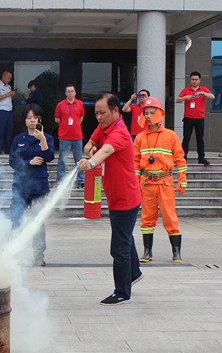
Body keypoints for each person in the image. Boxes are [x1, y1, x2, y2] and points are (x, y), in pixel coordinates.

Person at [77, 93, 143, 305]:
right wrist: (90, 150)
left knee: (119, 247)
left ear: (115, 110)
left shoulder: (120, 132)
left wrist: (91, 162)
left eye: (102, 112)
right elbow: (89, 145)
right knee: (125, 236)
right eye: (96, 113)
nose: (98, 117)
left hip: (126, 198)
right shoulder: (103, 127)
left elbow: (106, 150)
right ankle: (134, 272)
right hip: (114, 195)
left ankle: (122, 292)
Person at [134, 96, 186, 263]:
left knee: (170, 216)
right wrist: (136, 181)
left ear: (159, 113)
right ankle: (147, 252)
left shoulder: (170, 135)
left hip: (165, 182)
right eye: (146, 113)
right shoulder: (140, 138)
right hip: (147, 182)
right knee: (147, 218)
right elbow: (135, 162)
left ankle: (176, 252)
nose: (148, 116)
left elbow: (180, 159)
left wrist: (182, 179)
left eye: (151, 112)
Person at [9, 104, 54, 266]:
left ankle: (38, 256)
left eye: (35, 117)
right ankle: (13, 252)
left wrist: (42, 139)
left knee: (38, 222)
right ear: (25, 120)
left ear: (39, 119)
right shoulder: (18, 140)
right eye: (29, 118)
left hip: (39, 187)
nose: (32, 120)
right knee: (16, 220)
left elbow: (49, 157)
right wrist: (29, 162)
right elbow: (13, 162)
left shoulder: (47, 138)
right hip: (21, 187)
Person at [176, 71, 215, 166]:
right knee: (186, 138)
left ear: (199, 80)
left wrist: (203, 93)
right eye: (192, 79)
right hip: (188, 118)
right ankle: (183, 157)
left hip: (199, 117)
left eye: (196, 79)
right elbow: (177, 100)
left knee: (200, 138)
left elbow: (212, 97)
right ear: (190, 80)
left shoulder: (203, 89)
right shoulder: (186, 90)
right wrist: (186, 97)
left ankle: (201, 158)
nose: (194, 81)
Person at [54, 84, 85, 187]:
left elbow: (81, 117)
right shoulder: (60, 105)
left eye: (72, 91)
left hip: (77, 136)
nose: (70, 93)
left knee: (79, 160)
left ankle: (81, 180)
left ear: (75, 92)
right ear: (65, 93)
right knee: (62, 160)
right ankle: (60, 181)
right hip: (64, 137)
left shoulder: (80, 103)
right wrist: (65, 124)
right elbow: (57, 119)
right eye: (68, 91)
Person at [0, 71, 16, 155]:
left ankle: (7, 149)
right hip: (1, 110)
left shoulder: (9, 87)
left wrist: (12, 95)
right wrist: (8, 93)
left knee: (9, 131)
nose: (9, 80)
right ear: (3, 77)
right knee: (0, 130)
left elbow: (10, 99)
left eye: (10, 79)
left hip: (9, 110)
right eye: (8, 78)